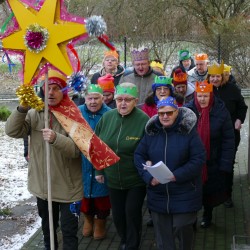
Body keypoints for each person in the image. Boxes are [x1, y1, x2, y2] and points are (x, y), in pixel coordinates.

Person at [5, 69, 83, 250]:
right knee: (48, 231)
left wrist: (56, 138)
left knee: (69, 231)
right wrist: (22, 108)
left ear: (64, 91)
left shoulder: (74, 115)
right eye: (47, 87)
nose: (50, 92)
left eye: (56, 88)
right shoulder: (34, 114)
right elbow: (11, 131)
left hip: (68, 188)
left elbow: (76, 151)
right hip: (43, 187)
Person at [134, 96, 206, 250]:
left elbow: (198, 159)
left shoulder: (189, 132)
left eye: (169, 113)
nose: (165, 116)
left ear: (176, 112)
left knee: (183, 228)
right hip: (158, 193)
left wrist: (176, 175)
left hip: (184, 192)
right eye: (161, 113)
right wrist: (148, 177)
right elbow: (138, 155)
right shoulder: (151, 133)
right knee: (163, 238)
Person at [95, 83, 149, 250]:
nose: (123, 103)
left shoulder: (143, 120)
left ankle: (132, 245)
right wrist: (99, 170)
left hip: (135, 179)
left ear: (136, 101)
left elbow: (150, 148)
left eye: (127, 100)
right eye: (119, 99)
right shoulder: (107, 118)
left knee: (132, 213)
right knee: (118, 215)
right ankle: (125, 239)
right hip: (112, 178)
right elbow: (97, 146)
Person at [185, 80, 235, 228]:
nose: (202, 99)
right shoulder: (188, 111)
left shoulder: (221, 111)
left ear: (211, 96)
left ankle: (207, 215)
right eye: (199, 96)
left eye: (205, 96)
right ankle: (191, 218)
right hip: (191, 161)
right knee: (191, 192)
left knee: (209, 192)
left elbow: (228, 139)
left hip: (213, 160)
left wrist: (225, 163)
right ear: (195, 96)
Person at [207, 61, 248, 208]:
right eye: (212, 77)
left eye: (217, 76)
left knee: (227, 164)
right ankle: (210, 196)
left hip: (230, 135)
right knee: (212, 164)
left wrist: (239, 120)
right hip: (211, 135)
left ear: (222, 76)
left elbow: (242, 107)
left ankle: (227, 195)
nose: (215, 80)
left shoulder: (233, 89)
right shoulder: (205, 90)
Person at [78, 84, 111, 240]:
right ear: (85, 99)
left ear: (102, 98)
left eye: (96, 98)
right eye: (89, 98)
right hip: (82, 160)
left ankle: (100, 222)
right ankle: (88, 220)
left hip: (102, 160)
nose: (92, 102)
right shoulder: (78, 113)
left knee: (102, 196)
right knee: (84, 194)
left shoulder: (110, 114)